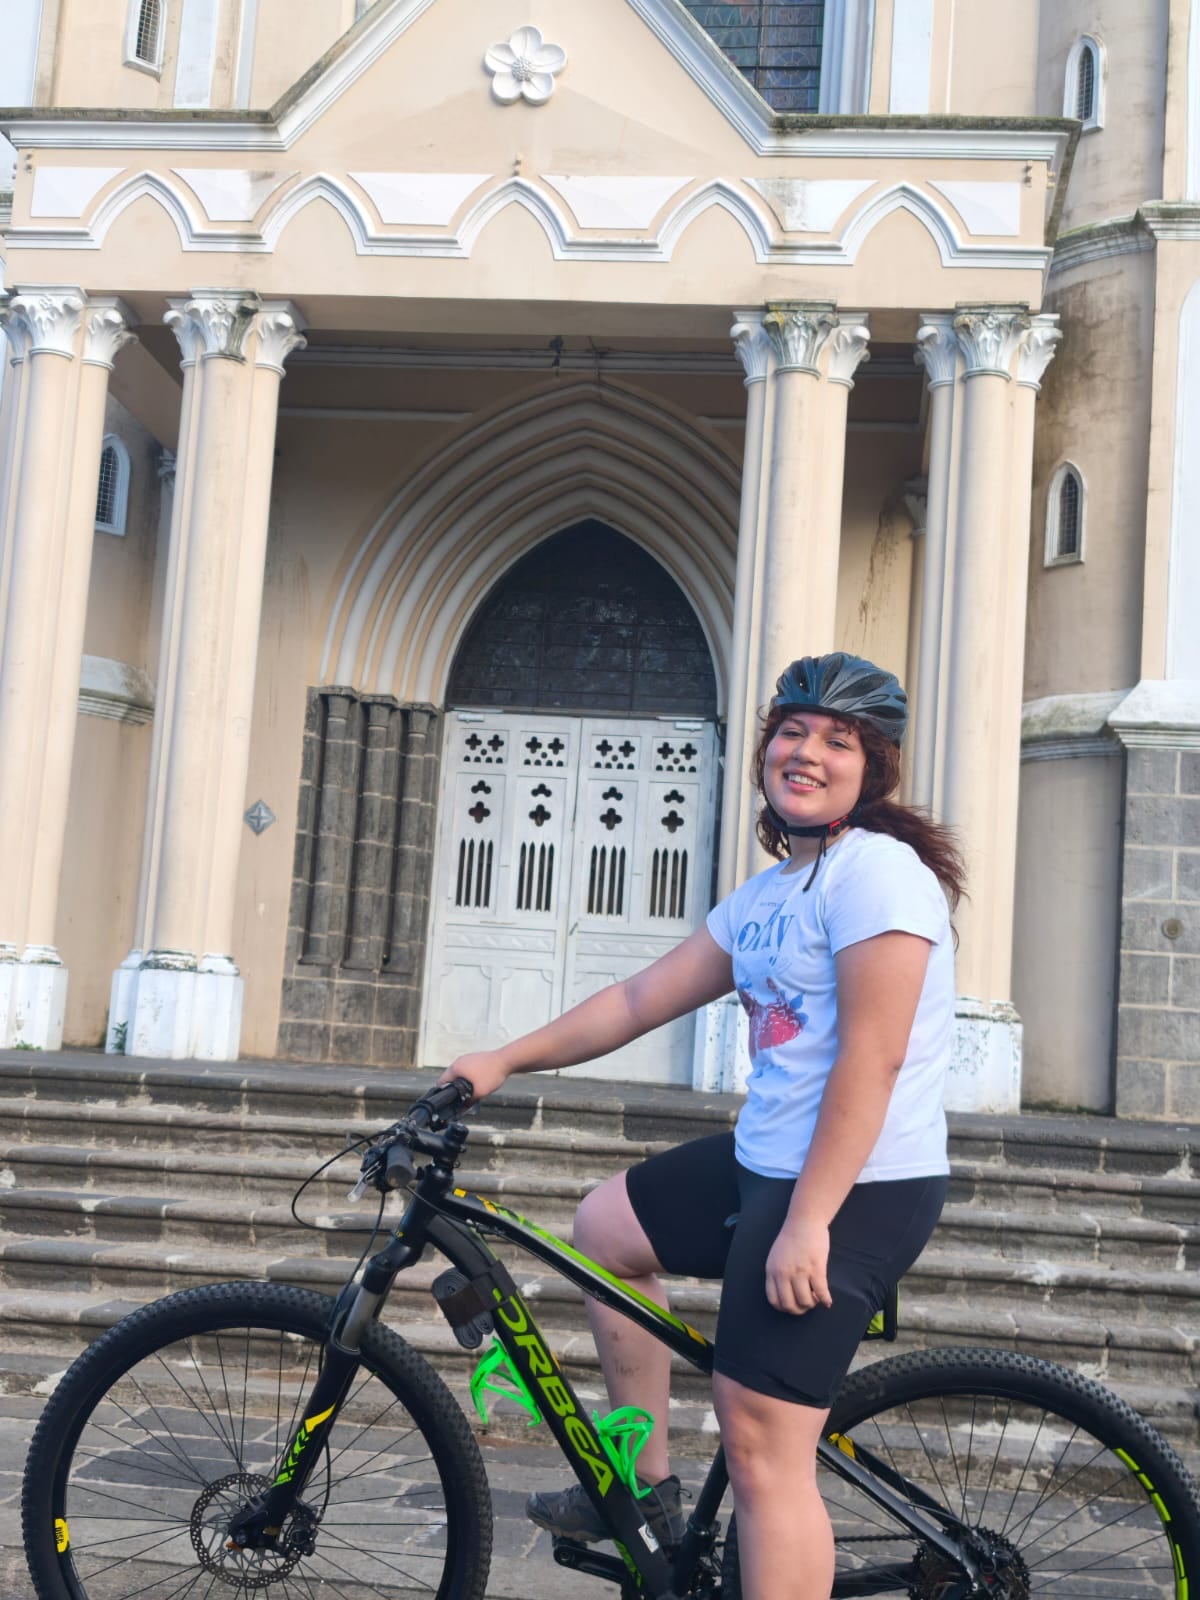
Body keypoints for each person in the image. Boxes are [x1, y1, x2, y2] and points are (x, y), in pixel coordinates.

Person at [440, 652, 966, 1600]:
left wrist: (808, 1223)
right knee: (604, 1229)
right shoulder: (766, 898)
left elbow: (872, 1061)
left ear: (871, 768)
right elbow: (641, 996)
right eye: (793, 732)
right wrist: (502, 1059)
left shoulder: (878, 877)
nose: (806, 753)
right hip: (770, 1160)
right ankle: (643, 1493)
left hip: (858, 1185)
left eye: (837, 742)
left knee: (762, 1446)